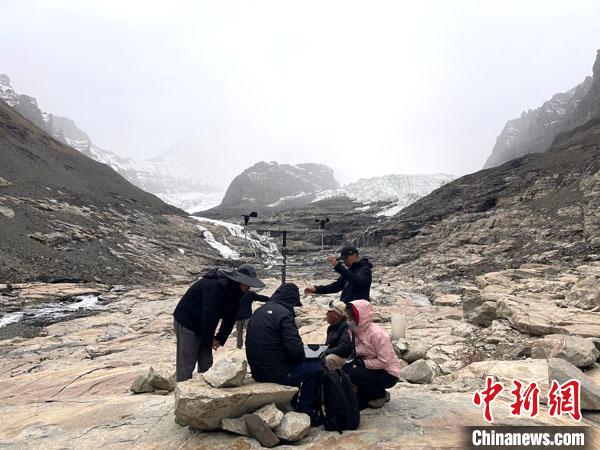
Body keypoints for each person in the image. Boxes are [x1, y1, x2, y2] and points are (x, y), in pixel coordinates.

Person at [245, 283, 322, 425]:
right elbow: (295, 350)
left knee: (298, 364)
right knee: (316, 367)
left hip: (257, 371)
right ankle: (307, 412)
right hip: (276, 373)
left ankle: (291, 402)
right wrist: (311, 353)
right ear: (291, 300)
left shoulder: (259, 311)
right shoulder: (284, 314)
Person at [172, 264, 264, 382]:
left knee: (206, 361)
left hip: (204, 323)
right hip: (187, 321)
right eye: (248, 283)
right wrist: (209, 339)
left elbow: (231, 316)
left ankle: (204, 388)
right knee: (187, 360)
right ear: (239, 280)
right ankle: (182, 388)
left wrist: (219, 338)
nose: (249, 287)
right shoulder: (215, 286)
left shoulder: (237, 291)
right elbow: (209, 315)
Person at [345, 299, 401, 410]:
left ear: (360, 317)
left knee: (354, 373)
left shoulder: (378, 334)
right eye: (348, 318)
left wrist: (364, 363)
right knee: (345, 373)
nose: (348, 321)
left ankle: (380, 394)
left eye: (351, 318)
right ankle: (368, 393)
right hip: (370, 369)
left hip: (388, 372)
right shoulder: (354, 331)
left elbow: (385, 361)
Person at [304, 246, 372, 304]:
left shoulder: (365, 270)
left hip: (359, 309)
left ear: (355, 256)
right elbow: (335, 287)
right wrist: (316, 289)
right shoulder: (349, 272)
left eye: (346, 258)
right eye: (343, 259)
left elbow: (357, 280)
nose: (344, 261)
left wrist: (338, 267)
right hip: (348, 308)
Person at [322, 300, 352, 371]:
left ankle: (337, 377)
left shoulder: (346, 327)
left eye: (329, 311)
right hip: (334, 354)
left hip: (346, 359)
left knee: (329, 359)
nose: (326, 314)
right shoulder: (331, 327)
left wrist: (325, 352)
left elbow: (343, 348)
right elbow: (327, 345)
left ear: (337, 315)